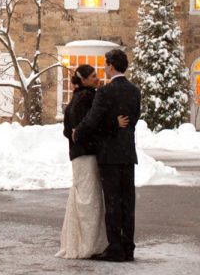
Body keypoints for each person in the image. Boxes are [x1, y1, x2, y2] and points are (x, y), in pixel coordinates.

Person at [73, 49, 141, 262]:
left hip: (109, 154)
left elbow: (93, 120)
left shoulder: (105, 92)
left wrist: (78, 132)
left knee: (112, 202)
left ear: (111, 65)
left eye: (105, 65)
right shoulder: (134, 91)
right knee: (128, 202)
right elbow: (135, 119)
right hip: (128, 152)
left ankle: (116, 248)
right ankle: (128, 246)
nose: (104, 69)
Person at [56, 64, 129, 259]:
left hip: (77, 156)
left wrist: (75, 135)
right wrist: (114, 123)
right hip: (87, 155)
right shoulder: (89, 98)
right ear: (85, 79)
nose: (97, 78)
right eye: (93, 76)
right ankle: (89, 245)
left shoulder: (73, 99)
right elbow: (92, 124)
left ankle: (78, 243)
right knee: (90, 200)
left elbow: (66, 131)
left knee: (80, 197)